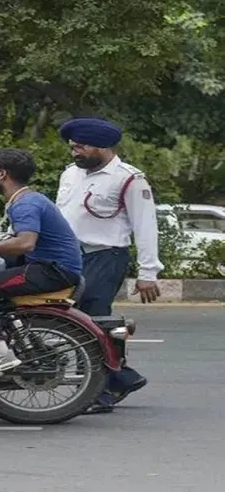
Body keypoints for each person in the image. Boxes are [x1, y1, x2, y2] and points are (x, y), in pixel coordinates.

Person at [55, 117, 161, 413]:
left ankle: (100, 391)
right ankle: (120, 377)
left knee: (94, 320)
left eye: (81, 147)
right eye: (73, 147)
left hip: (106, 256)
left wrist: (148, 272)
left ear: (102, 147)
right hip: (70, 256)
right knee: (72, 319)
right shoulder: (70, 174)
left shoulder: (129, 178)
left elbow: (145, 226)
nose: (75, 152)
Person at [0, 149, 83, 376]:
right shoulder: (28, 199)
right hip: (52, 265)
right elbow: (12, 239)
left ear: (2, 174)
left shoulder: (25, 204)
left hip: (52, 270)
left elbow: (25, 243)